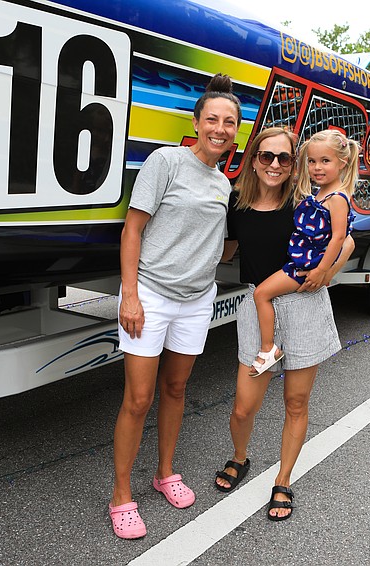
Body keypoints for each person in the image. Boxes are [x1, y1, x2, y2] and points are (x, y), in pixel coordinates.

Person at [108, 74, 241, 540]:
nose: (219, 129)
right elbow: (132, 229)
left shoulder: (226, 185)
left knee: (177, 388)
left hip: (196, 300)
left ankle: (164, 473)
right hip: (152, 295)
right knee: (138, 399)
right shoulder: (166, 161)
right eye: (212, 120)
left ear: (236, 131)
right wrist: (129, 294)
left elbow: (220, 246)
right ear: (197, 121)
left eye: (229, 122)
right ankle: (121, 495)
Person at [215, 127, 355, 521]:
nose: (274, 164)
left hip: (303, 305)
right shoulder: (237, 203)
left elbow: (345, 240)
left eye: (284, 157)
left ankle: (283, 479)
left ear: (294, 164)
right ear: (254, 160)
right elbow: (222, 249)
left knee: (296, 402)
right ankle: (240, 457)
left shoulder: (304, 201)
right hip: (259, 307)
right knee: (244, 408)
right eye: (266, 156)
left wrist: (326, 272)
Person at [249, 130, 358, 377]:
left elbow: (340, 238)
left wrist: (322, 271)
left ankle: (268, 349)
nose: (317, 167)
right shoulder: (319, 194)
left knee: (261, 294)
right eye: (312, 161)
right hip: (298, 264)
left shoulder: (337, 198)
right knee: (262, 294)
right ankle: (269, 348)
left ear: (342, 162)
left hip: (306, 268)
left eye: (325, 161)